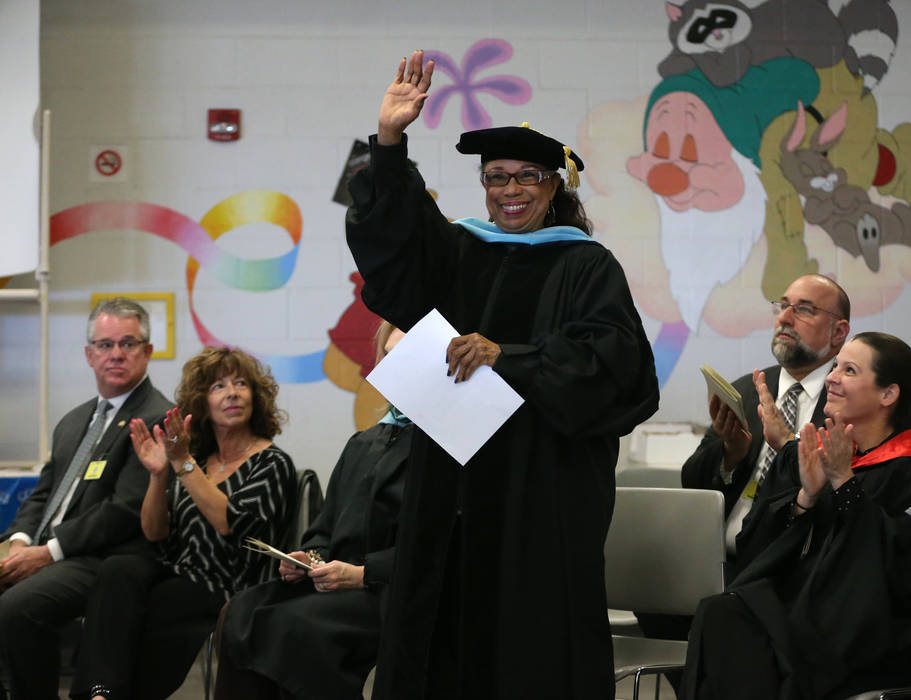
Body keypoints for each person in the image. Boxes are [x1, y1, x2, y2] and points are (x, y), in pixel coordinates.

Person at [344, 50, 659, 699]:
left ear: (554, 186)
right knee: (443, 627)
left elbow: (614, 367)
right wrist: (389, 140)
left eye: (526, 178)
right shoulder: (461, 253)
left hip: (543, 490)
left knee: (533, 644)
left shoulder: (587, 266)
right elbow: (397, 250)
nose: (509, 191)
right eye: (495, 178)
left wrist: (506, 357)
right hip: (450, 488)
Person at [679, 332, 911, 700]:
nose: (831, 377)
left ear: (888, 394)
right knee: (722, 613)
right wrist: (806, 496)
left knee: (746, 635)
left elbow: (908, 565)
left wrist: (845, 484)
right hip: (810, 610)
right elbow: (756, 540)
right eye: (835, 367)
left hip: (873, 628)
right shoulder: (819, 454)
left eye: (849, 370)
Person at [69, 346, 296, 700]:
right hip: (179, 572)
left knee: (145, 610)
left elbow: (227, 522)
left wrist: (182, 463)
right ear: (202, 402)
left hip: (231, 585)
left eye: (241, 384)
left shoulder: (272, 463)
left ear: (256, 397)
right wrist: (159, 475)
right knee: (118, 569)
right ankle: (101, 694)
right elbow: (155, 532)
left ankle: (115, 692)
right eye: (218, 386)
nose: (232, 392)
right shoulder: (197, 461)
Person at [214, 322, 413, 700]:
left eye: (411, 358)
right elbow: (326, 526)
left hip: (393, 588)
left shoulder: (445, 451)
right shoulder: (364, 442)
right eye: (391, 358)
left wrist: (362, 574)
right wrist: (307, 558)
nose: (397, 369)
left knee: (296, 627)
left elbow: (440, 547)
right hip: (336, 579)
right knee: (240, 612)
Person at [0, 297, 172, 700]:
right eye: (105, 344)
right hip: (46, 549)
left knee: (15, 609)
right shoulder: (75, 420)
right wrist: (21, 543)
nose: (115, 354)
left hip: (103, 558)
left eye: (128, 344)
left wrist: (47, 553)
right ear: (89, 354)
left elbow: (125, 509)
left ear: (147, 352)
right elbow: (42, 493)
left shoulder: (157, 418)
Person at [681, 273, 851, 572]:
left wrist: (788, 442)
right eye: (783, 305)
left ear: (838, 332)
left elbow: (848, 504)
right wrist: (731, 453)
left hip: (800, 566)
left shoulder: (848, 404)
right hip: (719, 561)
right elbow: (692, 484)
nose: (784, 318)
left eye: (804, 309)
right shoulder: (746, 390)